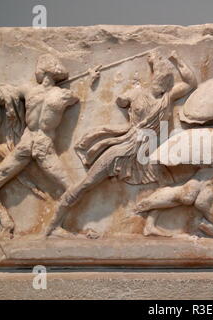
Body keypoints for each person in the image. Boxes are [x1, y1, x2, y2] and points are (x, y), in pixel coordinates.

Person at [45, 50, 197, 237]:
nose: (163, 82)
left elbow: (191, 83)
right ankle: (52, 226)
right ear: (153, 78)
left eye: (166, 80)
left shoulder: (167, 97)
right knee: (87, 183)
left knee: (164, 183)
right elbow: (121, 101)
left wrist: (176, 58)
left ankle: (150, 226)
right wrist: (132, 92)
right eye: (160, 78)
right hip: (126, 146)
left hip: (147, 152)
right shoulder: (137, 93)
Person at [0, 54, 78, 206]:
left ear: (44, 71)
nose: (36, 72)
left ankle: (73, 196)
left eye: (39, 69)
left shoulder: (63, 94)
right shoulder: (32, 90)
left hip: (43, 141)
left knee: (59, 175)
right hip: (29, 138)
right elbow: (7, 94)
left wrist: (92, 77)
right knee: (8, 167)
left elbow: (77, 96)